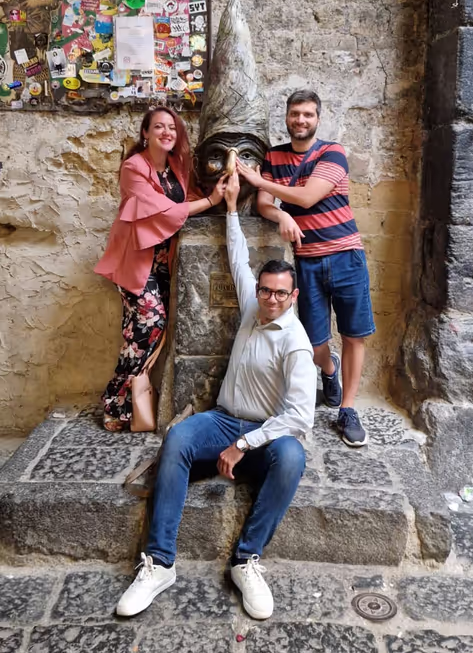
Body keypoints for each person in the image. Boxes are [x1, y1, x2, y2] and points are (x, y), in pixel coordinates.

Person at [116, 170, 316, 620]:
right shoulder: (252, 306)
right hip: (224, 419)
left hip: (264, 435)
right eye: (265, 290)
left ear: (292, 296)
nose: (268, 298)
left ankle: (246, 561)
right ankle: (159, 564)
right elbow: (238, 259)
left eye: (279, 294)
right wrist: (228, 209)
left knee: (293, 458)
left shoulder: (296, 343)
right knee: (181, 437)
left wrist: (244, 444)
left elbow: (301, 417)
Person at [237, 89, 375, 449]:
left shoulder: (332, 152)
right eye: (295, 114)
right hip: (307, 260)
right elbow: (267, 205)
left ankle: (347, 409)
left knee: (353, 334)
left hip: (346, 255)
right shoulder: (275, 156)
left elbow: (309, 196)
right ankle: (328, 371)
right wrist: (280, 212)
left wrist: (258, 181)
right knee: (315, 342)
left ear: (317, 118)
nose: (301, 120)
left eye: (308, 115)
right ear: (286, 117)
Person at [95, 107, 225, 431]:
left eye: (171, 127)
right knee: (150, 323)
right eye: (158, 127)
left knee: (140, 334)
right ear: (145, 133)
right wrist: (210, 201)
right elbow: (164, 211)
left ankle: (125, 407)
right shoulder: (133, 167)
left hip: (164, 263)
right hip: (136, 262)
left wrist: (218, 192)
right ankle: (114, 400)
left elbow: (187, 198)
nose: (166, 132)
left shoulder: (177, 166)